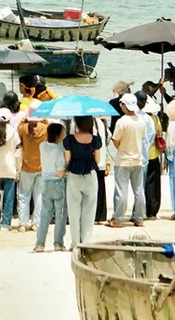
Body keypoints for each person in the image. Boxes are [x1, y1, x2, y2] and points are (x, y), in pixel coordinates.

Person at [62, 116, 101, 245]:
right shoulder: (95, 140)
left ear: (77, 124)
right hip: (90, 174)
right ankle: (86, 241)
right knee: (89, 210)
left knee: (73, 210)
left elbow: (67, 159)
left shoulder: (70, 139)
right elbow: (98, 160)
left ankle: (75, 242)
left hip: (74, 174)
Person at [109, 93, 146, 228]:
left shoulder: (121, 121)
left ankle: (118, 219)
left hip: (123, 160)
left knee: (121, 191)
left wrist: (121, 148)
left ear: (124, 105)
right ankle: (139, 217)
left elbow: (116, 140)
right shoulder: (141, 120)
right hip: (138, 159)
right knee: (139, 190)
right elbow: (142, 137)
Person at [34, 123, 67, 252]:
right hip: (58, 183)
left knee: (45, 214)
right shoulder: (59, 151)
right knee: (60, 214)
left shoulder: (42, 146)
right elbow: (60, 172)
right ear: (58, 136)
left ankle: (40, 243)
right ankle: (58, 243)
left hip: (46, 182)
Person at [16, 110, 47, 231]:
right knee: (39, 195)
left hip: (26, 166)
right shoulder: (45, 128)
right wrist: (46, 121)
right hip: (41, 166)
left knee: (24, 195)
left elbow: (17, 137)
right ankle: (36, 223)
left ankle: (23, 223)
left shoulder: (23, 128)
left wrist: (22, 121)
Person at [140, 95, 162, 220]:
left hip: (142, 154)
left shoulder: (139, 118)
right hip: (154, 153)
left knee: (142, 183)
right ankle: (153, 210)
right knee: (154, 183)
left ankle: (142, 209)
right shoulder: (155, 118)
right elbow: (159, 133)